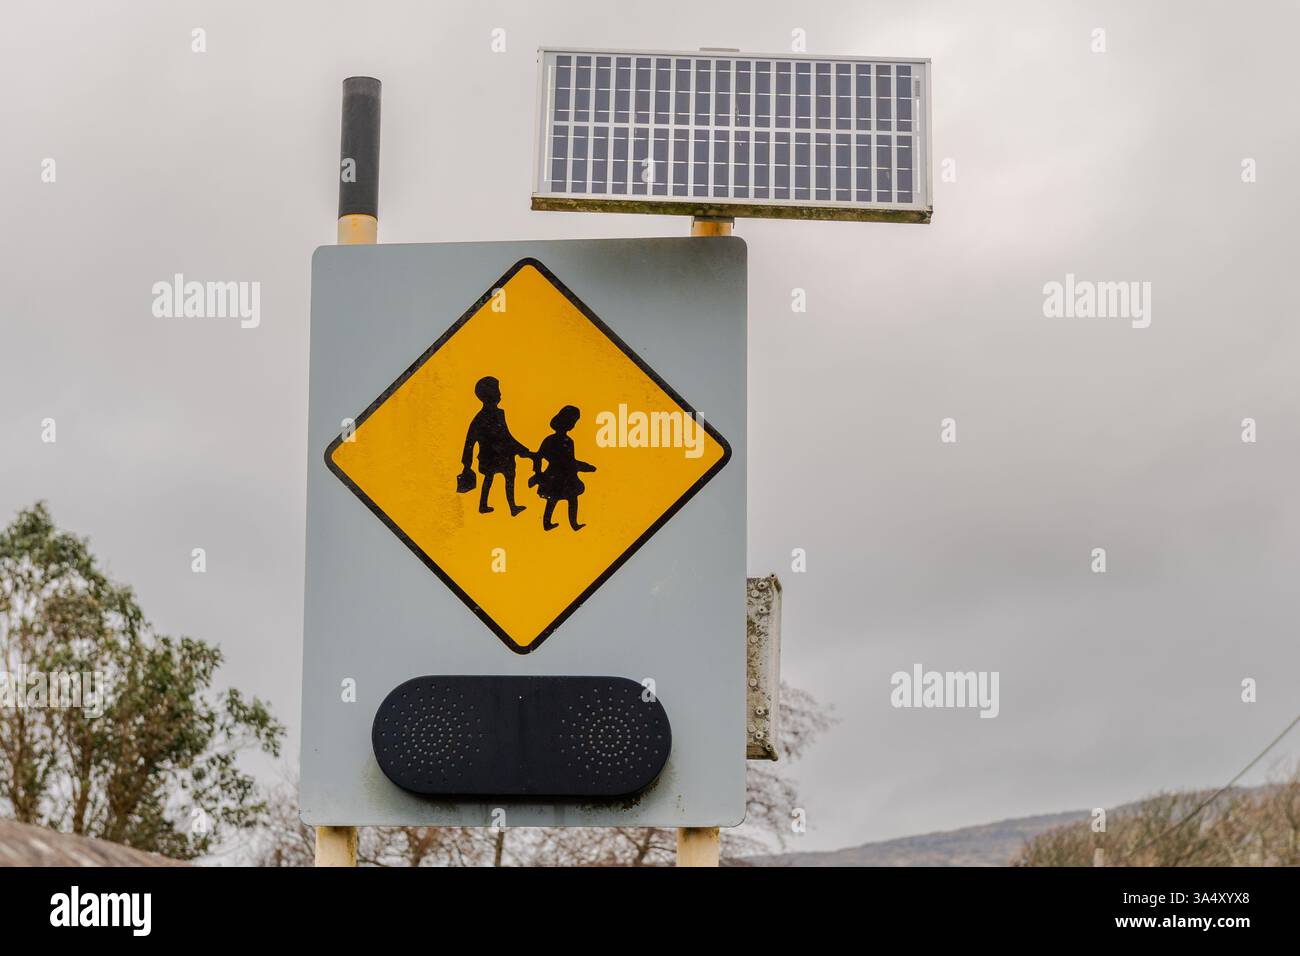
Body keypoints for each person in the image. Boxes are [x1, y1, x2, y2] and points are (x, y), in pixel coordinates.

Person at [460, 376, 533, 516]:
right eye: (497, 391)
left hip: (494, 456)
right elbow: (471, 441)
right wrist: (466, 464)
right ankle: (503, 506)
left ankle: (505, 506)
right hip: (497, 456)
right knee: (504, 478)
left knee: (494, 478)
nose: (500, 394)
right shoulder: (482, 417)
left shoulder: (494, 414)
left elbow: (505, 436)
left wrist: (522, 450)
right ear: (491, 395)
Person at [529, 405, 596, 531]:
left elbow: (571, 461)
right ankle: (548, 523)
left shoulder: (568, 441)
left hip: (566, 475)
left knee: (568, 498)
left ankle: (573, 524)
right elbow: (539, 456)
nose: (573, 424)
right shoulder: (553, 440)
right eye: (572, 421)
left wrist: (586, 467)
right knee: (555, 499)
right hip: (555, 475)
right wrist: (538, 473)